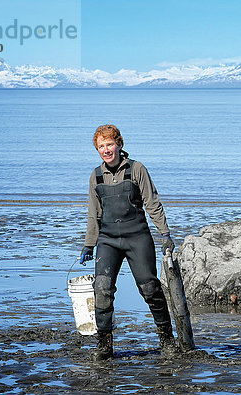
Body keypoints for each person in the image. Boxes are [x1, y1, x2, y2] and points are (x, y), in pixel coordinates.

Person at [78, 124, 176, 361]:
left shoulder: (137, 169)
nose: (106, 150)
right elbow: (94, 213)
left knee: (150, 289)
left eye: (109, 144)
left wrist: (165, 235)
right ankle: (104, 345)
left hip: (137, 237)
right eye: (101, 146)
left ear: (120, 144)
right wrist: (89, 244)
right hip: (108, 240)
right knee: (102, 289)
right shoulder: (96, 175)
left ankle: (167, 338)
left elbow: (153, 204)